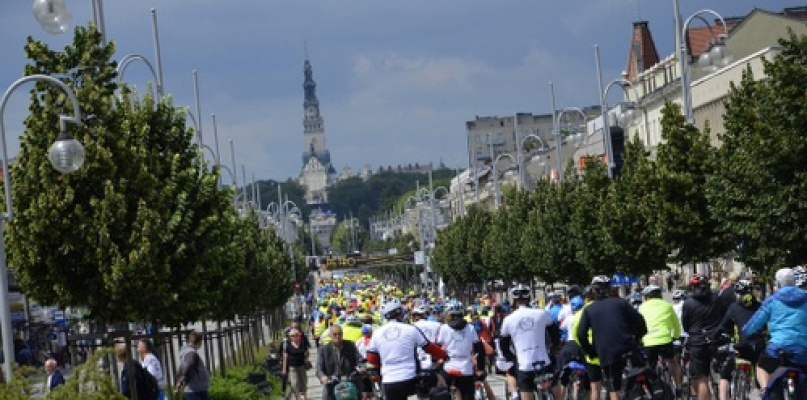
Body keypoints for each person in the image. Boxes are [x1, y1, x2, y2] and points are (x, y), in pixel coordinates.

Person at [576, 276, 647, 400]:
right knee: (642, 373)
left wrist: (591, 352)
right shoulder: (621, 303)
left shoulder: (589, 310)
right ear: (609, 289)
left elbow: (581, 334)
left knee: (614, 387)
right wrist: (637, 338)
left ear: (593, 290)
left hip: (607, 352)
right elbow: (640, 322)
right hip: (628, 347)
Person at [366, 298, 447, 400]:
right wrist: (444, 355)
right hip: (410, 379)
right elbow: (429, 348)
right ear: (400, 312)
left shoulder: (377, 333)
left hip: (389, 381)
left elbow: (371, 358)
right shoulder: (411, 329)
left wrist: (383, 364)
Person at [743, 268, 807, 393]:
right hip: (802, 349)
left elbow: (755, 322)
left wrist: (746, 331)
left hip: (778, 349)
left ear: (777, 283)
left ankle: (765, 392)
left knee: (761, 366)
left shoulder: (772, 300)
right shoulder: (805, 298)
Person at [499, 284, 560, 400]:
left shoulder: (508, 319)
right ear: (529, 298)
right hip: (544, 361)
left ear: (514, 300)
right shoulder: (541, 313)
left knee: (526, 392)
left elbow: (504, 343)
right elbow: (554, 332)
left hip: (524, 364)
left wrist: (510, 357)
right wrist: (554, 348)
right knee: (555, 385)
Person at [711, 279, 764, 400]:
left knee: (725, 375)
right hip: (758, 347)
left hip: (741, 347)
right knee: (762, 375)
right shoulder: (760, 306)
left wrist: (713, 337)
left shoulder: (734, 307)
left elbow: (723, 326)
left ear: (737, 293)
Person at [681, 274, 727, 400]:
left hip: (698, 342)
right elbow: (724, 316)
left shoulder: (688, 303)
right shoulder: (716, 298)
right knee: (725, 372)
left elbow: (685, 325)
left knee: (702, 378)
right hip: (716, 339)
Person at [436, 302, 486, 400]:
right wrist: (480, 367)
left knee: (442, 392)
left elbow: (437, 347)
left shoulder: (444, 328)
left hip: (449, 367)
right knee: (468, 394)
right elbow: (479, 350)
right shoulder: (470, 328)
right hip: (466, 368)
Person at [637, 285, 682, 393]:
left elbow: (638, 325)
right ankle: (678, 386)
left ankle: (653, 390)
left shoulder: (641, 307)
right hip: (665, 339)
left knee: (650, 368)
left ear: (647, 297)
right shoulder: (667, 305)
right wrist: (676, 336)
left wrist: (639, 340)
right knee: (673, 362)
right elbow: (676, 325)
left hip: (649, 341)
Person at [316, 325, 364, 400]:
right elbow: (319, 367)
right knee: (326, 396)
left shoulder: (350, 345)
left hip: (350, 381)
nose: (337, 336)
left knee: (358, 394)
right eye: (334, 334)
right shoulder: (324, 350)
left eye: (339, 334)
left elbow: (359, 358)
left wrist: (361, 367)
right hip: (332, 383)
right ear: (330, 336)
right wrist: (323, 376)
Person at [175, 331, 211, 400]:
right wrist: (182, 381)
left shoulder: (186, 351)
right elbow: (188, 368)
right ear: (199, 342)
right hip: (195, 388)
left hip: (196, 387)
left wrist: (179, 381)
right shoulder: (191, 353)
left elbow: (181, 368)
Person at [283, 328, 310, 400]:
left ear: (298, 336)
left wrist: (307, 358)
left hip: (301, 366)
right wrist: (284, 369)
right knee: (294, 384)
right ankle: (298, 398)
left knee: (303, 382)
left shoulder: (302, 344)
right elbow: (285, 357)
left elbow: (307, 353)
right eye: (292, 336)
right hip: (292, 368)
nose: (294, 337)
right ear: (290, 337)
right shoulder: (288, 346)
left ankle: (305, 397)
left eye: (296, 335)